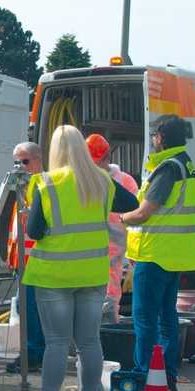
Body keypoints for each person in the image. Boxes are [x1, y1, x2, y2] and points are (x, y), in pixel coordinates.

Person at [15, 125, 138, 391]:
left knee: (56, 343)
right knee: (89, 342)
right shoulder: (101, 181)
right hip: (92, 273)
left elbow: (35, 232)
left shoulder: (45, 182)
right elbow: (131, 203)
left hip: (54, 275)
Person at [121, 114, 195, 391]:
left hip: (155, 254)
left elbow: (145, 211)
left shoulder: (167, 168)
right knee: (167, 318)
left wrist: (121, 219)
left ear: (161, 137)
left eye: (154, 136)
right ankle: (166, 378)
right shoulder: (185, 164)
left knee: (145, 320)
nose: (152, 140)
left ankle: (145, 378)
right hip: (175, 255)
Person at [85, 133, 139, 322]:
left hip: (116, 252)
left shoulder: (124, 182)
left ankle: (109, 329)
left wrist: (132, 257)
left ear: (107, 158)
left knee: (110, 295)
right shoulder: (86, 180)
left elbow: (136, 221)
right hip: (90, 250)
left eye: (96, 161)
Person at [5, 141, 47, 374]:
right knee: (25, 307)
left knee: (31, 309)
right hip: (25, 260)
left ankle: (33, 353)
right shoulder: (23, 186)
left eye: (25, 161)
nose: (20, 166)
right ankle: (34, 351)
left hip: (37, 260)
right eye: (16, 162)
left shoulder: (40, 185)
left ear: (38, 160)